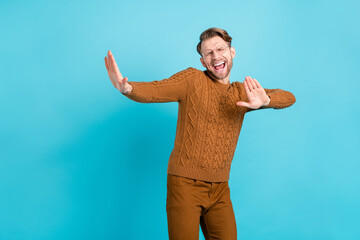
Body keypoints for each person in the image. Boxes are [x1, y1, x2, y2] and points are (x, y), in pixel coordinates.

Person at [104, 27, 296, 240]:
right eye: (208, 53)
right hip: (184, 185)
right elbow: (156, 89)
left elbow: (289, 97)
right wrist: (128, 88)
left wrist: (266, 101)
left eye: (220, 49)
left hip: (220, 189)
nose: (216, 56)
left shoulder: (244, 93)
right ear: (203, 61)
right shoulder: (192, 80)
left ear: (232, 52)